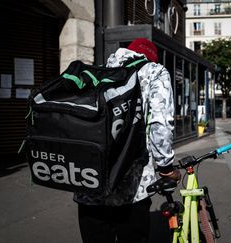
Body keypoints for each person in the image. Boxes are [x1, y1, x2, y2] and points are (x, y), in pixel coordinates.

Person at [75, 38, 181, 243]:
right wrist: (166, 167)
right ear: (150, 58)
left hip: (89, 182)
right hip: (132, 188)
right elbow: (160, 125)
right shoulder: (154, 71)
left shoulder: (97, 73)